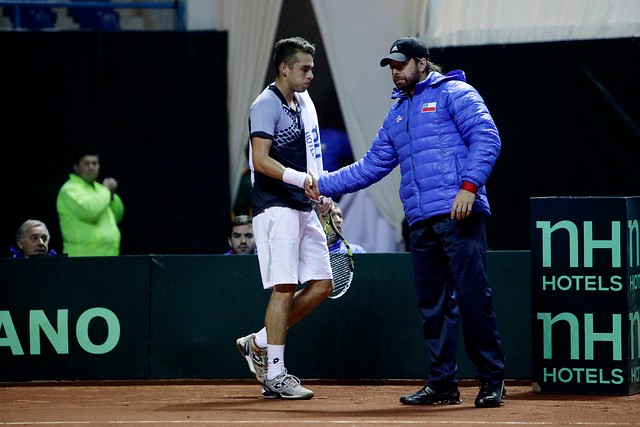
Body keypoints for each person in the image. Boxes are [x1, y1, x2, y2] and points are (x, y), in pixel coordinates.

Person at [313, 36, 507, 408]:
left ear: (421, 62)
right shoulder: (397, 114)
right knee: (433, 305)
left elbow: (487, 137)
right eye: (391, 66)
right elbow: (369, 167)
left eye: (401, 64)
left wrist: (469, 187)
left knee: (472, 297)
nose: (396, 72)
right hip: (420, 221)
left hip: (459, 211)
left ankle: (491, 378)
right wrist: (320, 183)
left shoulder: (456, 92)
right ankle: (443, 384)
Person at [235, 36, 333, 400]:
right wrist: (299, 179)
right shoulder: (264, 104)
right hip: (274, 207)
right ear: (284, 68)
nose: (310, 75)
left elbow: (313, 155)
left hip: (304, 205)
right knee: (285, 287)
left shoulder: (306, 103)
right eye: (304, 69)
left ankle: (259, 342)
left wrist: (321, 193)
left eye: (312, 68)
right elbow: (259, 160)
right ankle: (275, 373)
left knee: (322, 284)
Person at [56, 149, 125, 256]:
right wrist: (106, 191)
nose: (91, 167)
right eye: (86, 163)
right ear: (76, 167)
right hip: (82, 259)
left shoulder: (99, 189)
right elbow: (91, 212)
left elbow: (117, 216)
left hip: (109, 257)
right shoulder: (69, 190)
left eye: (95, 163)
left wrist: (111, 196)